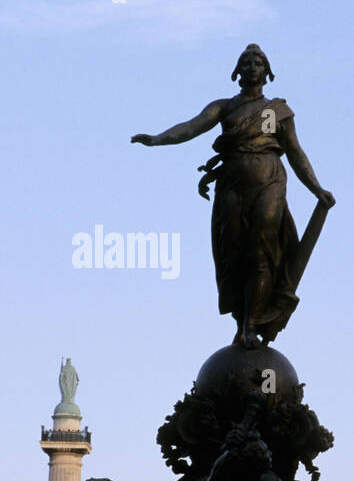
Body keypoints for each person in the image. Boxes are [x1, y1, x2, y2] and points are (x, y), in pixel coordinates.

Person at [131, 44, 335, 348]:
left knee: (261, 250)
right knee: (233, 254)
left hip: (269, 180)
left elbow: (294, 152)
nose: (252, 66)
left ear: (267, 71)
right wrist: (159, 139)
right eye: (246, 62)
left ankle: (251, 325)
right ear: (237, 71)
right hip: (232, 184)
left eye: (258, 62)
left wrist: (316, 188)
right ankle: (242, 322)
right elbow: (191, 127)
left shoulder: (274, 111)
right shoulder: (224, 107)